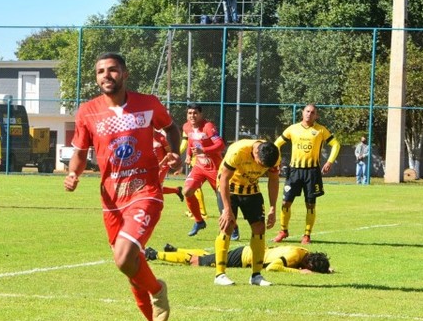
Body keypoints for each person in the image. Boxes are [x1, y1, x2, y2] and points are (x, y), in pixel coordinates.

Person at [64, 52, 182, 321]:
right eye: (101, 71)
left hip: (145, 191)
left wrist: (174, 151)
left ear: (124, 73)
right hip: (111, 201)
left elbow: (171, 127)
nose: (106, 75)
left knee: (124, 257)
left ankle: (157, 289)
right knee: (130, 270)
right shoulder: (88, 112)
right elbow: (79, 151)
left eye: (112, 70)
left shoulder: (148, 104)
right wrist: (74, 173)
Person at [214, 139, 280, 286]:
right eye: (260, 164)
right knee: (228, 226)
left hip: (252, 190)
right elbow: (224, 179)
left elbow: (274, 180)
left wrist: (273, 208)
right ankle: (220, 274)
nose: (261, 168)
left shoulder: (274, 154)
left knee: (259, 228)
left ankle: (256, 275)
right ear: (255, 153)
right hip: (229, 189)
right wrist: (227, 210)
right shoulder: (238, 151)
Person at [272, 103, 341, 244]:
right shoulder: (293, 129)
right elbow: (277, 144)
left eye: (313, 112)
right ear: (302, 112)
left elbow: (336, 144)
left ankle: (306, 235)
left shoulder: (321, 130)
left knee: (310, 204)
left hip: (312, 172)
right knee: (286, 202)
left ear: (316, 115)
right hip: (294, 172)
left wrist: (329, 161)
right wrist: (277, 162)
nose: (309, 114)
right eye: (307, 111)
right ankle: (283, 231)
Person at [181, 104, 226, 236]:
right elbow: (191, 140)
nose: (192, 116)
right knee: (187, 191)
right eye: (189, 113)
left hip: (215, 168)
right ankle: (199, 221)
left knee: (222, 198)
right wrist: (189, 155)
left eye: (195, 113)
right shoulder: (186, 126)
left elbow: (221, 145)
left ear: (201, 114)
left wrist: (204, 150)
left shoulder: (208, 127)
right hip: (199, 167)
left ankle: (232, 226)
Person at [145, 244, 333, 274]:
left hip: (247, 252)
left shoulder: (303, 251)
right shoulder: (294, 257)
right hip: (243, 257)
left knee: (207, 256)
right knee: (197, 261)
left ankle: (175, 250)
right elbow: (273, 268)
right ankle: (154, 255)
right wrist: (300, 273)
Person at [153, 129, 184, 201]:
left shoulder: (161, 138)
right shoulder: (145, 137)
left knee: (155, 187)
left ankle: (155, 205)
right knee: (154, 187)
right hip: (152, 166)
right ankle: (177, 190)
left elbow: (169, 154)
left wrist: (162, 163)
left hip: (163, 166)